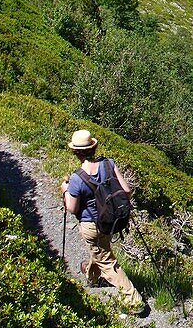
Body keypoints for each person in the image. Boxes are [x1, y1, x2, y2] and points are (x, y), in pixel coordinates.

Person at [61, 129, 144, 313]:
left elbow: (71, 208)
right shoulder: (109, 164)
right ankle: (92, 277)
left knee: (106, 260)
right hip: (110, 221)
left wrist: (65, 190)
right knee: (100, 250)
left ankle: (134, 301)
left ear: (75, 152)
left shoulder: (76, 179)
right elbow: (127, 191)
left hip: (91, 225)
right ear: (93, 147)